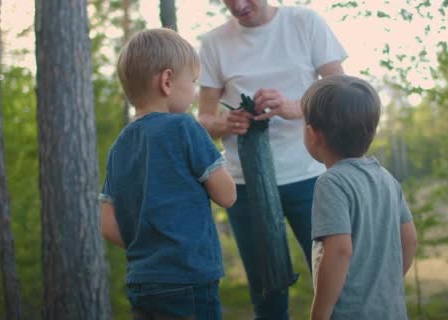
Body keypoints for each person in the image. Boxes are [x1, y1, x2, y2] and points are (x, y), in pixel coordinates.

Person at [197, 0, 348, 317]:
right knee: (267, 297)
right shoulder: (213, 43)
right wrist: (226, 123)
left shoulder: (304, 22)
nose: (238, 5)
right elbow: (204, 120)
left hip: (311, 177)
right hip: (246, 185)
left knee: (339, 289)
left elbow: (342, 91)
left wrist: (297, 107)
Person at [99, 28, 236, 319]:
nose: (196, 91)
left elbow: (107, 225)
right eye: (193, 82)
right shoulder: (184, 127)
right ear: (167, 81)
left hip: (142, 280)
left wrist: (149, 245)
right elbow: (226, 195)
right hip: (189, 276)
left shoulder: (119, 146)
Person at [300, 75, 418, 319]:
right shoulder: (386, 178)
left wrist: (319, 315)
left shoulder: (331, 183)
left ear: (313, 134)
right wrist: (384, 289)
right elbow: (410, 240)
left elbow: (339, 251)